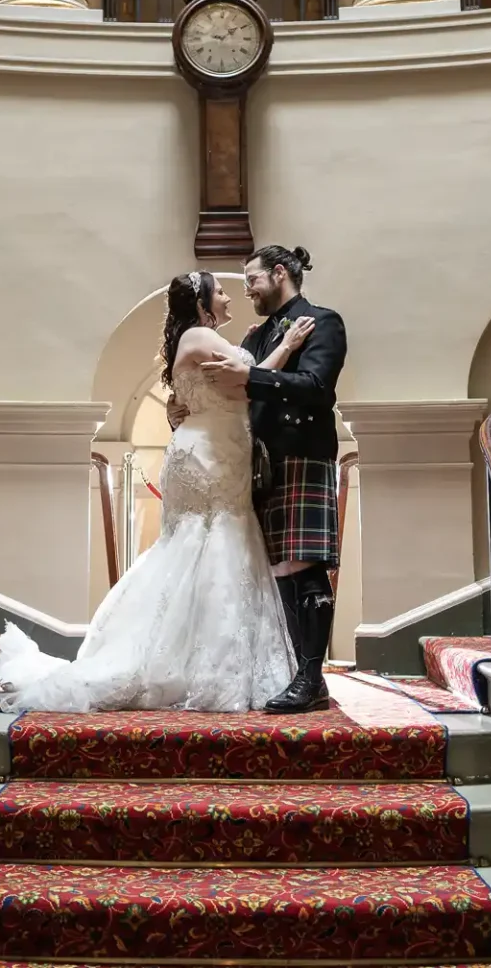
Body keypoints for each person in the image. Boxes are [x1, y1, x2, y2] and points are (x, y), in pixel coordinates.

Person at [0, 271, 314, 712]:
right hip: (210, 454)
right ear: (202, 303)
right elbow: (249, 378)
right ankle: (206, 668)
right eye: (219, 292)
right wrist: (288, 345)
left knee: (205, 545)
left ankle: (195, 662)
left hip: (217, 447)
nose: (227, 297)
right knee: (214, 543)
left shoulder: (197, 337)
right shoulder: (199, 335)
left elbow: (230, 382)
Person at [194, 245, 349, 713]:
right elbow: (239, 392)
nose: (248, 292)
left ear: (280, 273)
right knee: (280, 570)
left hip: (302, 453)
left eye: (252, 281)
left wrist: (251, 375)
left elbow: (319, 388)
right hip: (261, 462)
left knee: (306, 566)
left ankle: (310, 678)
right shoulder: (260, 334)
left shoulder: (323, 322)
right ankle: (299, 675)